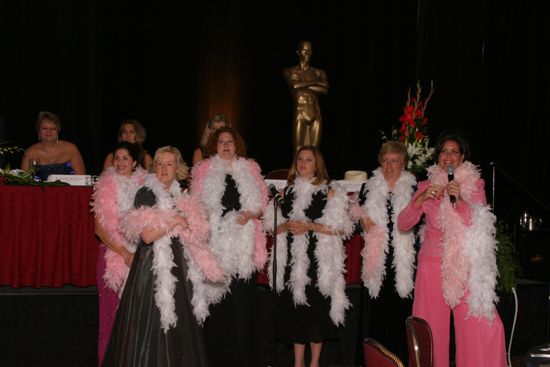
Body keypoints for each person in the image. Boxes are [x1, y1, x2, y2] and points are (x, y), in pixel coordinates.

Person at [102, 146, 223, 367]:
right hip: (152, 270)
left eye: (169, 164)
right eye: (159, 164)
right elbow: (147, 236)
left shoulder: (181, 196)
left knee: (180, 324)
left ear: (177, 168)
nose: (163, 168)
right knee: (152, 324)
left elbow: (195, 235)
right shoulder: (146, 193)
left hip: (178, 266)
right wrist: (174, 221)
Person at [397, 130, 506, 367]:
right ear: (437, 157)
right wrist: (420, 199)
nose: (448, 156)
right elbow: (403, 223)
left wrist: (461, 201)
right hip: (431, 266)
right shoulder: (425, 185)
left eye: (454, 151)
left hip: (465, 267)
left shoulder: (476, 185)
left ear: (463, 156)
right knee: (430, 333)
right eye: (444, 151)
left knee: (484, 326)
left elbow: (481, 223)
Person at [264, 145, 353, 367]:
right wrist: (287, 226)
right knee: (296, 311)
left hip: (317, 262)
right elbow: (271, 227)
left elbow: (342, 228)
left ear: (317, 164)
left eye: (308, 159)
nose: (303, 163)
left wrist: (310, 226)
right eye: (300, 159)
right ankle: (298, 363)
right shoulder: (286, 193)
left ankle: (314, 363)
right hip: (293, 264)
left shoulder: (329, 191)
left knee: (316, 313)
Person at [190, 126, 268, 367]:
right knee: (217, 307)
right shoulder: (203, 169)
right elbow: (195, 205)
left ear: (237, 145)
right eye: (221, 141)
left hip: (243, 247)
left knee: (242, 309)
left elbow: (263, 203)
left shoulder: (251, 169)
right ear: (215, 145)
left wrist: (250, 214)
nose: (226, 145)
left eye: (230, 142)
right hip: (215, 246)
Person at [350, 141, 417, 361]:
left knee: (401, 308)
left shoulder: (415, 189)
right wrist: (362, 220)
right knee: (376, 311)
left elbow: (422, 221)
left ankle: (400, 361)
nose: (389, 165)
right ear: (380, 162)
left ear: (403, 163)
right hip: (376, 258)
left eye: (395, 161)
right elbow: (353, 216)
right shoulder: (369, 186)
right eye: (386, 160)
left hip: (404, 259)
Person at [91, 142, 147, 365]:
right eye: (117, 158)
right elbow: (99, 229)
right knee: (111, 317)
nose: (120, 162)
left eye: (126, 158)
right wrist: (123, 252)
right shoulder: (105, 184)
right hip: (112, 256)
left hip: (139, 255)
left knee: (136, 317)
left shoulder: (145, 185)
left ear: (135, 162)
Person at [283, 41, 329, 152]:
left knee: (315, 153)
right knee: (298, 151)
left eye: (309, 50)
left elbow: (324, 90)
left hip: (316, 114)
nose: (307, 53)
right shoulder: (290, 71)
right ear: (298, 52)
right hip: (300, 113)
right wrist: (317, 83)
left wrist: (301, 84)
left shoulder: (319, 72)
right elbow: (294, 86)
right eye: (304, 50)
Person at [21, 111, 86, 179]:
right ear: (38, 131)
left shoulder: (71, 149)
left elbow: (82, 178)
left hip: (70, 189)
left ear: (58, 131)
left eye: (53, 129)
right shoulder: (30, 153)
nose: (49, 131)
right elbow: (24, 183)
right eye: (44, 128)